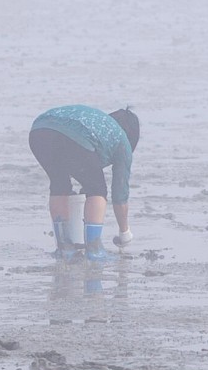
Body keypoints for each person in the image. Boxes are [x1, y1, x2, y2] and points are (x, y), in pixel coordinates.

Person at [29, 105, 138, 261]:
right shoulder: (122, 141)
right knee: (97, 189)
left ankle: (64, 248)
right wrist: (124, 232)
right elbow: (120, 196)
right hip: (71, 137)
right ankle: (93, 250)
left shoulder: (96, 124)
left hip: (39, 130)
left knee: (60, 184)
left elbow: (80, 162)